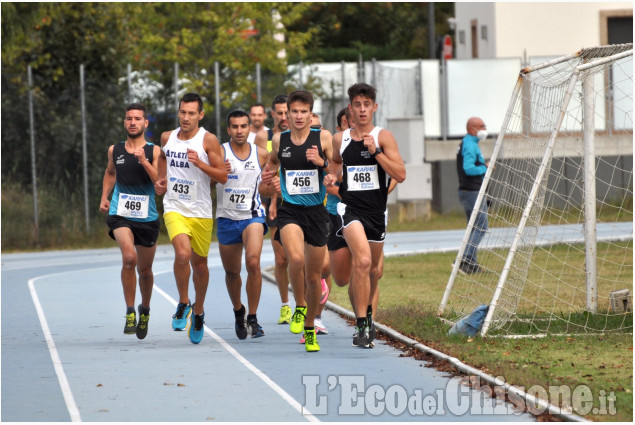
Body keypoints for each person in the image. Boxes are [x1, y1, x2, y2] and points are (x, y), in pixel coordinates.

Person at [324, 83, 406, 349]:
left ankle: (368, 316)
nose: (362, 109)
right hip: (350, 209)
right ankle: (360, 323)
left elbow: (400, 174)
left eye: (366, 104)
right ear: (350, 108)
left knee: (372, 271)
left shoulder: (384, 137)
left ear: (374, 107)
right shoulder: (341, 139)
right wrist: (331, 176)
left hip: (376, 213)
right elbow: (335, 162)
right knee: (361, 260)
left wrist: (376, 153)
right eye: (357, 105)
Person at [261, 90, 333, 352]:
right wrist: (266, 182)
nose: (299, 116)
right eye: (295, 112)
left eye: (305, 112)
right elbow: (269, 169)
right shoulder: (280, 141)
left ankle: (310, 327)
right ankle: (299, 306)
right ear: (287, 114)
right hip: (290, 210)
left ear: (311, 114)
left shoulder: (322, 137)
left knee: (314, 277)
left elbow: (337, 168)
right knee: (295, 259)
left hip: (316, 212)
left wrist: (322, 163)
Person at [155, 93, 228, 344]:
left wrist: (200, 164)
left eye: (191, 113)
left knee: (200, 266)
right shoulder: (167, 137)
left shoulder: (208, 140)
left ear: (201, 115)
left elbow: (222, 177)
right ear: (178, 113)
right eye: (182, 112)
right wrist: (161, 179)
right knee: (182, 254)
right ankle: (184, 301)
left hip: (201, 212)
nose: (186, 118)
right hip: (174, 207)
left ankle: (198, 311)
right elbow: (163, 157)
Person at [99, 103, 161, 340]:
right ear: (124, 123)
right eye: (128, 119)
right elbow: (110, 173)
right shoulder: (114, 150)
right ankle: (130, 311)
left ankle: (145, 309)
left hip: (147, 217)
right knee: (129, 258)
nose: (132, 122)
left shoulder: (155, 151)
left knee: (145, 270)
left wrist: (144, 161)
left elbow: (160, 185)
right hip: (120, 212)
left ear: (146, 123)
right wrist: (105, 197)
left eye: (137, 119)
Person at [215, 110, 269, 339]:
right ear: (228, 130)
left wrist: (273, 195)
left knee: (253, 263)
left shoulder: (262, 154)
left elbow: (269, 183)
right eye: (234, 127)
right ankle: (239, 310)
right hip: (227, 219)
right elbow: (206, 178)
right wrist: (218, 172)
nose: (239, 131)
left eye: (243, 126)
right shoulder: (219, 152)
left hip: (252, 215)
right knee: (232, 272)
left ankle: (254, 318)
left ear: (250, 129)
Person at [263, 94, 293, 325]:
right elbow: (263, 177)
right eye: (279, 113)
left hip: (303, 202)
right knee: (281, 259)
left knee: (299, 258)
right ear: (272, 114)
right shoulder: (265, 140)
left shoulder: (303, 137)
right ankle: (285, 305)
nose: (284, 117)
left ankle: (303, 303)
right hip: (275, 203)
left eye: (287, 112)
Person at [456, 117, 489, 274]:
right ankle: (465, 259)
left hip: (468, 190)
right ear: (471, 129)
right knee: (481, 226)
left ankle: (472, 263)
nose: (485, 128)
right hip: (472, 191)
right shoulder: (469, 145)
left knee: (473, 227)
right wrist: (485, 168)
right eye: (481, 126)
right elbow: (468, 168)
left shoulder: (468, 143)